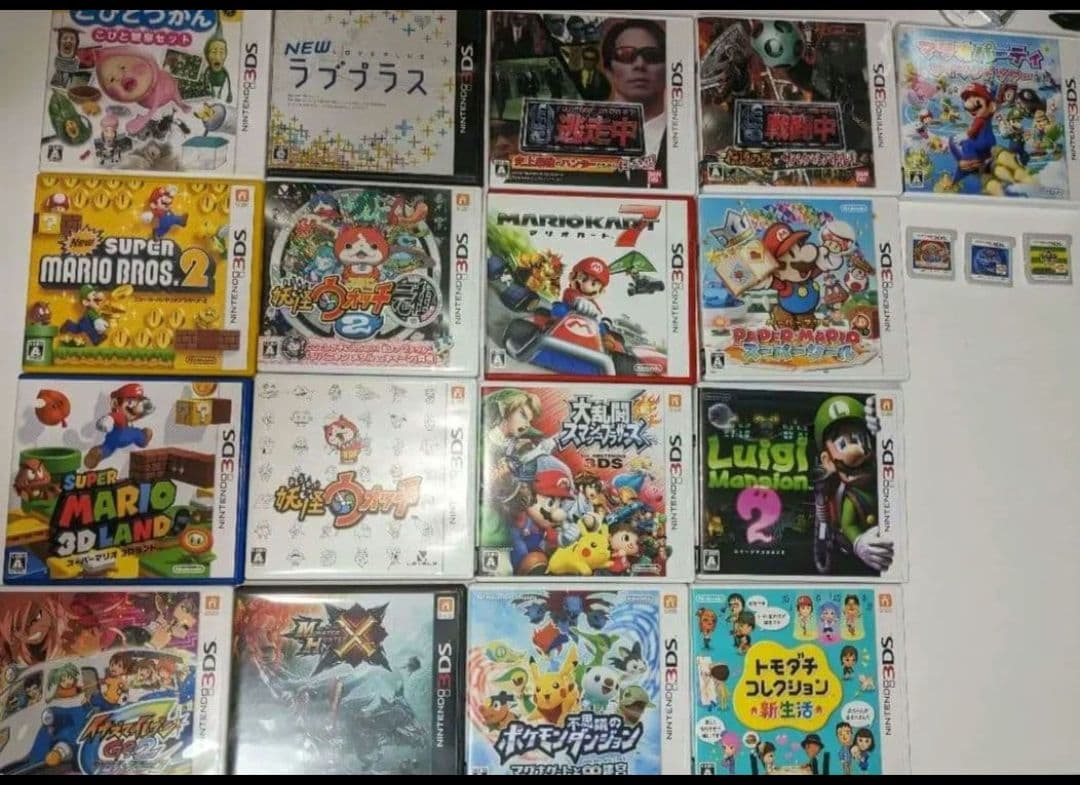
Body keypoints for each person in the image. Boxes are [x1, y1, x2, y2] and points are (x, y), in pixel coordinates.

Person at [602, 19, 667, 164]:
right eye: (625, 55)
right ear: (608, 71)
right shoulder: (585, 136)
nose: (640, 64)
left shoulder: (686, 133)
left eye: (652, 55)